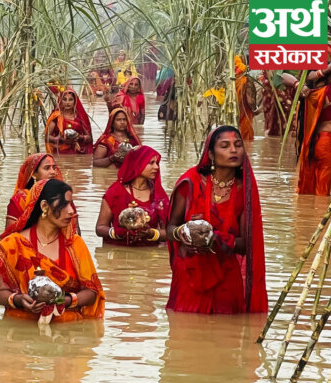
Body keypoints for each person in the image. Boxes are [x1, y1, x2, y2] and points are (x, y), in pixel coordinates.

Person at [166, 126, 267, 314]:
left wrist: (216, 239)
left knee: (226, 336)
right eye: (225, 146)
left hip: (226, 276)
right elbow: (170, 229)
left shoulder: (243, 191)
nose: (234, 150)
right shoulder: (191, 182)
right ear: (211, 154)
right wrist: (183, 232)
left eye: (238, 145)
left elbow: (246, 245)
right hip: (190, 273)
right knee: (183, 333)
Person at [0, 179, 105, 322]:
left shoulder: (75, 244)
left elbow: (92, 292)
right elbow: (0, 293)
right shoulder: (12, 244)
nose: (71, 211)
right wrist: (18, 300)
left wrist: (63, 301)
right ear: (44, 206)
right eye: (64, 204)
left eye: (71, 204)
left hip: (67, 333)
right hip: (21, 332)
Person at [283, 56, 331, 196]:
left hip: (310, 144)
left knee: (310, 190)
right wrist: (320, 72)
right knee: (323, 192)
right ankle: (319, 215)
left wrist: (298, 84)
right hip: (328, 144)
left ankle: (307, 214)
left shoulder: (305, 94)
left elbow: (281, 76)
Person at [95, 145, 169, 246]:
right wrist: (118, 233)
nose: (156, 167)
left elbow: (170, 232)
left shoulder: (158, 194)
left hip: (148, 254)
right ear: (138, 164)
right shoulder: (115, 192)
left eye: (157, 163)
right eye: (151, 163)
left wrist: (151, 233)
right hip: (117, 254)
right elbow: (100, 228)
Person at [4, 152, 81, 238]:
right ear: (33, 173)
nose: (53, 172)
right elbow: (9, 236)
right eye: (47, 168)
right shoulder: (20, 200)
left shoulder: (64, 196)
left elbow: (75, 230)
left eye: (54, 168)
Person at [44, 89, 93, 155]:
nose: (67, 103)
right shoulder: (56, 117)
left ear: (75, 101)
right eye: (64, 99)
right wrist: (60, 140)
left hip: (78, 153)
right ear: (61, 101)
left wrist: (79, 137)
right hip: (60, 154)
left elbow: (89, 138)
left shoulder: (80, 117)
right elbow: (47, 137)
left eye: (70, 100)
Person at [234, 56, 257, 141]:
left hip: (234, 115)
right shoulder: (246, 82)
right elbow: (250, 101)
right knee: (246, 140)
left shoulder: (232, 82)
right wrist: (255, 109)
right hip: (245, 115)